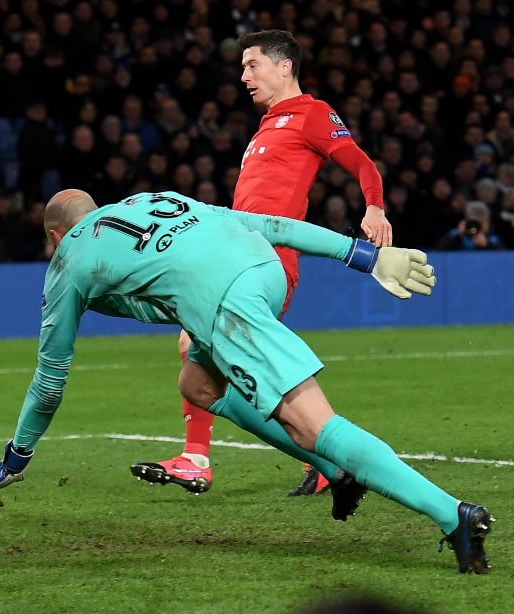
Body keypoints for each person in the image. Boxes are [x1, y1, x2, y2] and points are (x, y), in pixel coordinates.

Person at [0, 189, 492, 576]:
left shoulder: (67, 260)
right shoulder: (151, 200)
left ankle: (453, 516)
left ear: (54, 237)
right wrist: (365, 255)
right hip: (262, 269)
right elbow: (269, 224)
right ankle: (332, 466)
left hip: (224, 300)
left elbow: (51, 379)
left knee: (313, 423)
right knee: (197, 382)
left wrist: (18, 456)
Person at [132, 30, 394, 498]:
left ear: (284, 66)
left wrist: (373, 206)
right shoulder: (265, 127)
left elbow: (362, 164)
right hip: (232, 258)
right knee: (203, 357)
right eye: (243, 67)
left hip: (265, 264)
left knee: (215, 361)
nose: (244, 75)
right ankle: (316, 464)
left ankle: (205, 459)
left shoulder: (312, 114)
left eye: (253, 65)